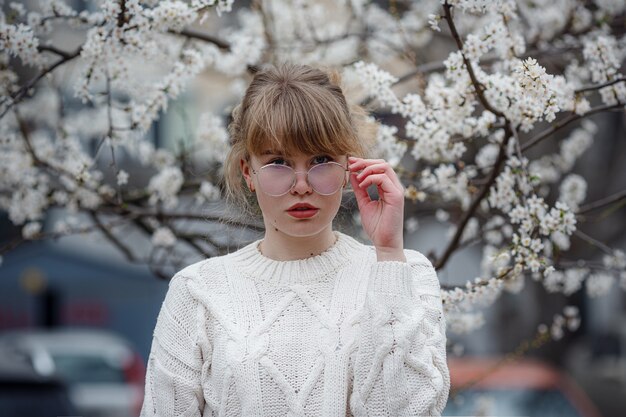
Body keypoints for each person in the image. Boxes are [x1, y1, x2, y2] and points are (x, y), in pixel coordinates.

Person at [140, 63, 450, 417]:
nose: (301, 184)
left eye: (321, 160)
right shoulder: (198, 291)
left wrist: (389, 252)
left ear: (349, 167)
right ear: (248, 172)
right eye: (278, 162)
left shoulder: (405, 273)